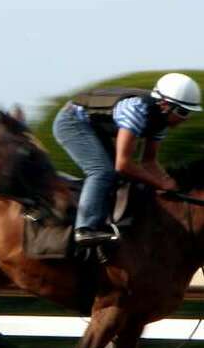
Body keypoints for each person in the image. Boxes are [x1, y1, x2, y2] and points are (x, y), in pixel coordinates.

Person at [53, 72, 201, 246]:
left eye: (189, 112)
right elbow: (122, 164)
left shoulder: (161, 122)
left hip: (94, 127)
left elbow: (149, 162)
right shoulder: (136, 110)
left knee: (121, 177)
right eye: (183, 112)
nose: (186, 118)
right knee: (102, 171)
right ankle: (85, 229)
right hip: (71, 122)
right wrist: (161, 184)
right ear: (164, 105)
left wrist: (168, 182)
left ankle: (109, 221)